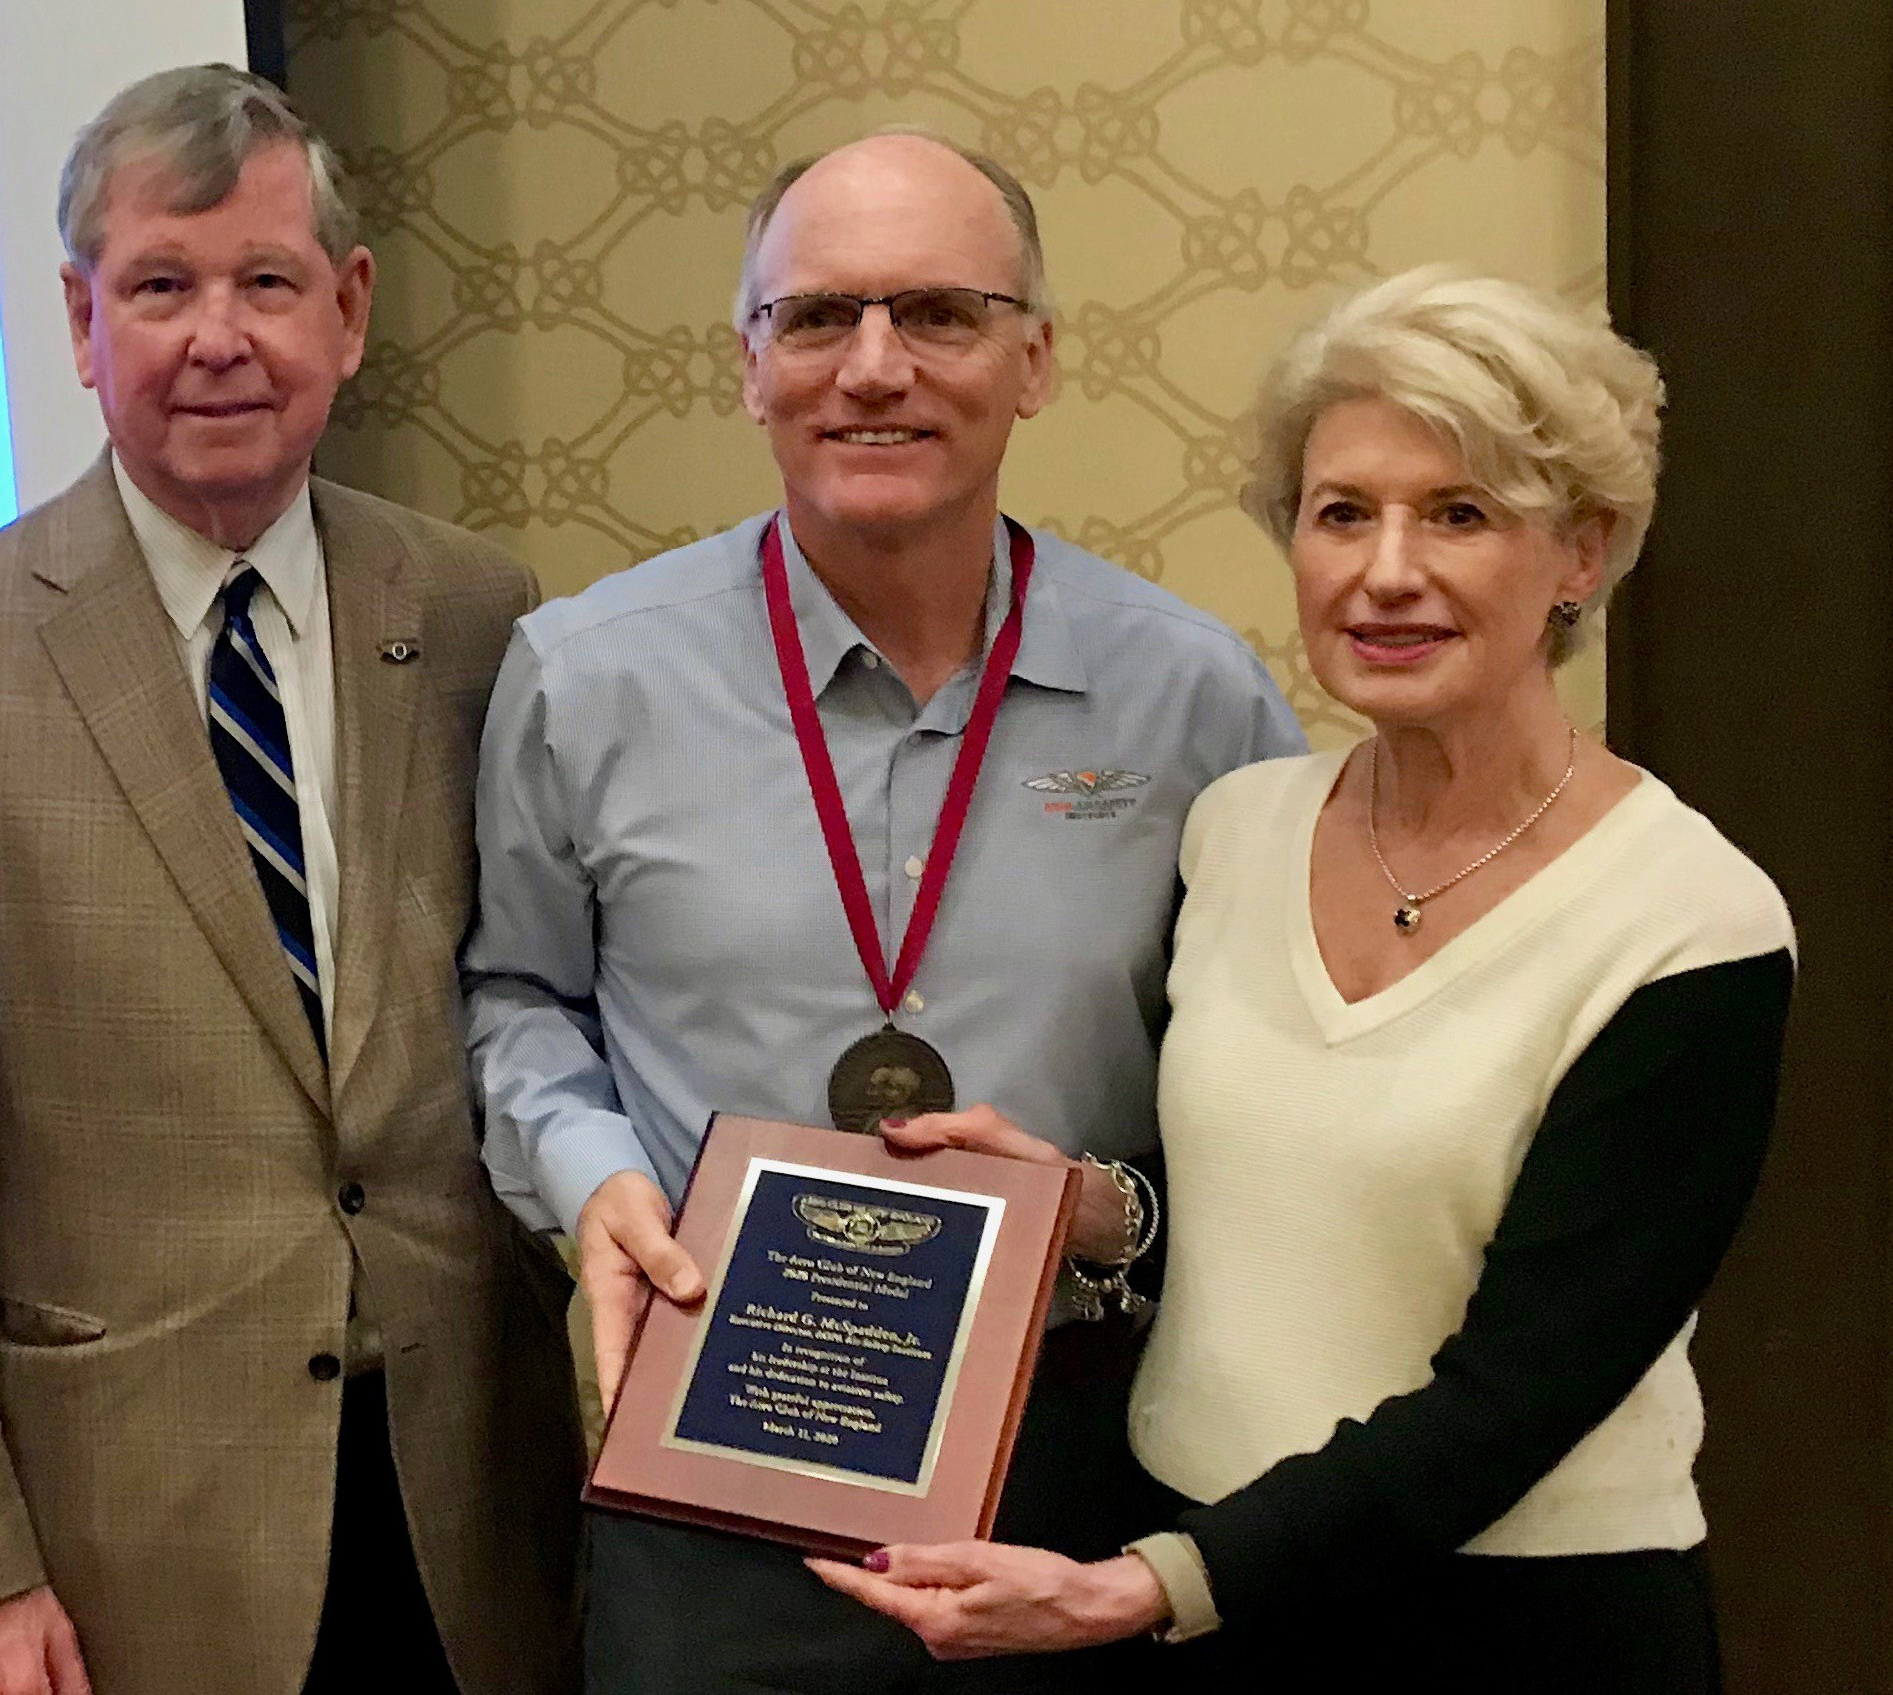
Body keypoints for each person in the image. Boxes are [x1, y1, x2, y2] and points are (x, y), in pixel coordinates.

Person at [815, 268, 1794, 1693]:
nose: (1383, 571)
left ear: (1580, 552)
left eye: (1457, 513)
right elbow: (1278, 1231)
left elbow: (1521, 1389)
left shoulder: (1687, 920)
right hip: (1195, 1585)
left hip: (1505, 1626)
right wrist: (1097, 1209)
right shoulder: (1240, 828)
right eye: (1341, 513)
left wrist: (1142, 1591)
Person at [464, 128, 1304, 1693]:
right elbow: (516, 999)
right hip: (717, 1457)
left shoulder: (1190, 697)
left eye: (936, 314)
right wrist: (591, 1188)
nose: (870, 368)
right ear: (747, 364)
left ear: (1034, 359)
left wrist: (1111, 1210)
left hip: (1075, 1464)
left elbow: (1279, 1087)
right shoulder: (584, 678)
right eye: (816, 317)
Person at [0, 66, 581, 1695]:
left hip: (465, 1497)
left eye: (266, 282)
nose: (215, 336)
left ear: (348, 313)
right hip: (132, 1533)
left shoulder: (477, 609)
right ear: (83, 322)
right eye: (160, 287)